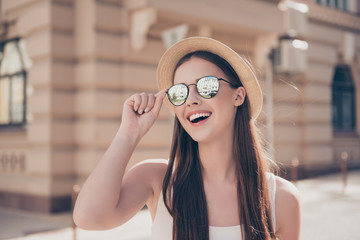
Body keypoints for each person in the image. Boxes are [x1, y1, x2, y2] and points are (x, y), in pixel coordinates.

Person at [73, 37, 301, 240]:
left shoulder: (280, 197)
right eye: (180, 92)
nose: (191, 99)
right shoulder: (158, 180)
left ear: (238, 96)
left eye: (207, 86)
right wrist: (129, 133)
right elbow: (88, 217)